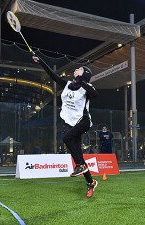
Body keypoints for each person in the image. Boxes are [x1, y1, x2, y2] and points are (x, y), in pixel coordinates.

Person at [33, 55, 99, 198]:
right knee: (78, 155)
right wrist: (41, 61)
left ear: (84, 74)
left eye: (80, 69)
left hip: (83, 121)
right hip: (69, 122)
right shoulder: (68, 84)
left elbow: (95, 94)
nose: (76, 69)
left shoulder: (87, 88)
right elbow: (53, 76)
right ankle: (91, 181)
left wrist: (81, 80)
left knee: (66, 138)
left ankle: (80, 166)